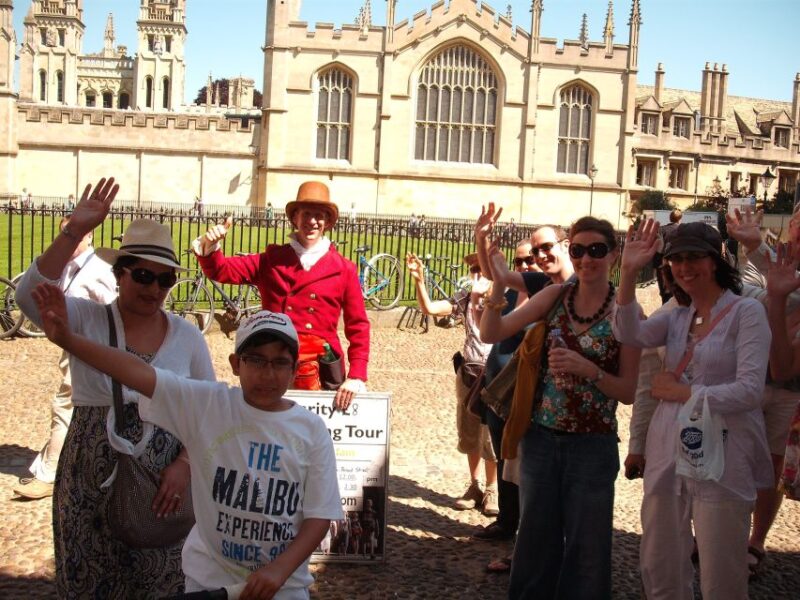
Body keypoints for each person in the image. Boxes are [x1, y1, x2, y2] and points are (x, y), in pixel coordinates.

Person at [31, 297, 343, 598]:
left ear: (294, 368)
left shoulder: (311, 430)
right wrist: (68, 340)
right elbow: (138, 373)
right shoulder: (208, 404)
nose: (268, 373)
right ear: (236, 364)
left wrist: (280, 569)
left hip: (283, 588)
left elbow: (320, 515)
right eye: (256, 359)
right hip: (209, 582)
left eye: (280, 362)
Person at [15, 177, 216, 599]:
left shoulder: (187, 337)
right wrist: (74, 231)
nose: (154, 289)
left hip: (163, 478)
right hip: (91, 468)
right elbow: (28, 296)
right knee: (91, 577)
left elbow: (207, 410)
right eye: (143, 276)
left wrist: (185, 464)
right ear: (119, 274)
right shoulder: (87, 318)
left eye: (165, 280)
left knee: (161, 580)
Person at [480, 216, 641, 599]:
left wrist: (589, 370)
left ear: (613, 255)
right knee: (535, 541)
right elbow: (491, 332)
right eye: (579, 250)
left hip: (592, 445)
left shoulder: (624, 313)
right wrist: (499, 284)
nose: (586, 259)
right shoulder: (556, 296)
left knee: (587, 548)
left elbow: (628, 391)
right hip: (541, 439)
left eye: (597, 250)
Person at [614, 219, 772, 600]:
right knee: (660, 557)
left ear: (715, 260)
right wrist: (628, 273)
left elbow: (750, 390)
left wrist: (685, 392)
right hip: (668, 445)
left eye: (694, 257)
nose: (684, 267)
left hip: (724, 451)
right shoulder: (676, 315)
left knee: (721, 567)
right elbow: (628, 333)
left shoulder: (747, 312)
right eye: (676, 259)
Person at [194, 181, 370, 411]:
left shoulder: (344, 269)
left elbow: (358, 325)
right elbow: (222, 270)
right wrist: (210, 246)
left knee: (314, 430)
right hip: (273, 365)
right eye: (306, 214)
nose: (312, 221)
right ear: (295, 218)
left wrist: (357, 375)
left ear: (327, 222)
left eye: (319, 215)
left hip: (321, 368)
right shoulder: (271, 261)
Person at [12, 217, 117, 500]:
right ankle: (57, 465)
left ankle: (49, 474)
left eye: (78, 235)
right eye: (67, 233)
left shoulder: (97, 269)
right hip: (72, 345)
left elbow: (112, 313)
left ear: (90, 236)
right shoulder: (70, 267)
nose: (72, 240)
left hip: (90, 349)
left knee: (64, 406)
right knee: (69, 408)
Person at [725, 207, 800, 578]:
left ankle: (756, 541)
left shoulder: (765, 257)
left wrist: (758, 249)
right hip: (750, 376)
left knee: (771, 466)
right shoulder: (768, 260)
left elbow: (781, 296)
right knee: (732, 456)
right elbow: (743, 291)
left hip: (789, 387)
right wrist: (757, 252)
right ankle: (724, 532)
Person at [407, 251, 498, 516]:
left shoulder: (506, 299)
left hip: (496, 374)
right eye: (474, 270)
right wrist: (419, 281)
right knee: (469, 431)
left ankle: (492, 488)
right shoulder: (466, 298)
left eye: (483, 269)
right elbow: (430, 309)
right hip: (470, 371)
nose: (477, 274)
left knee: (491, 435)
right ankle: (474, 485)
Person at [653, 208, 683, 304]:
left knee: (664, 293)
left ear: (670, 218)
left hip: (663, 264)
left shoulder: (661, 229)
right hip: (678, 263)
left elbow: (658, 248)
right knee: (678, 292)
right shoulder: (682, 230)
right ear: (680, 219)